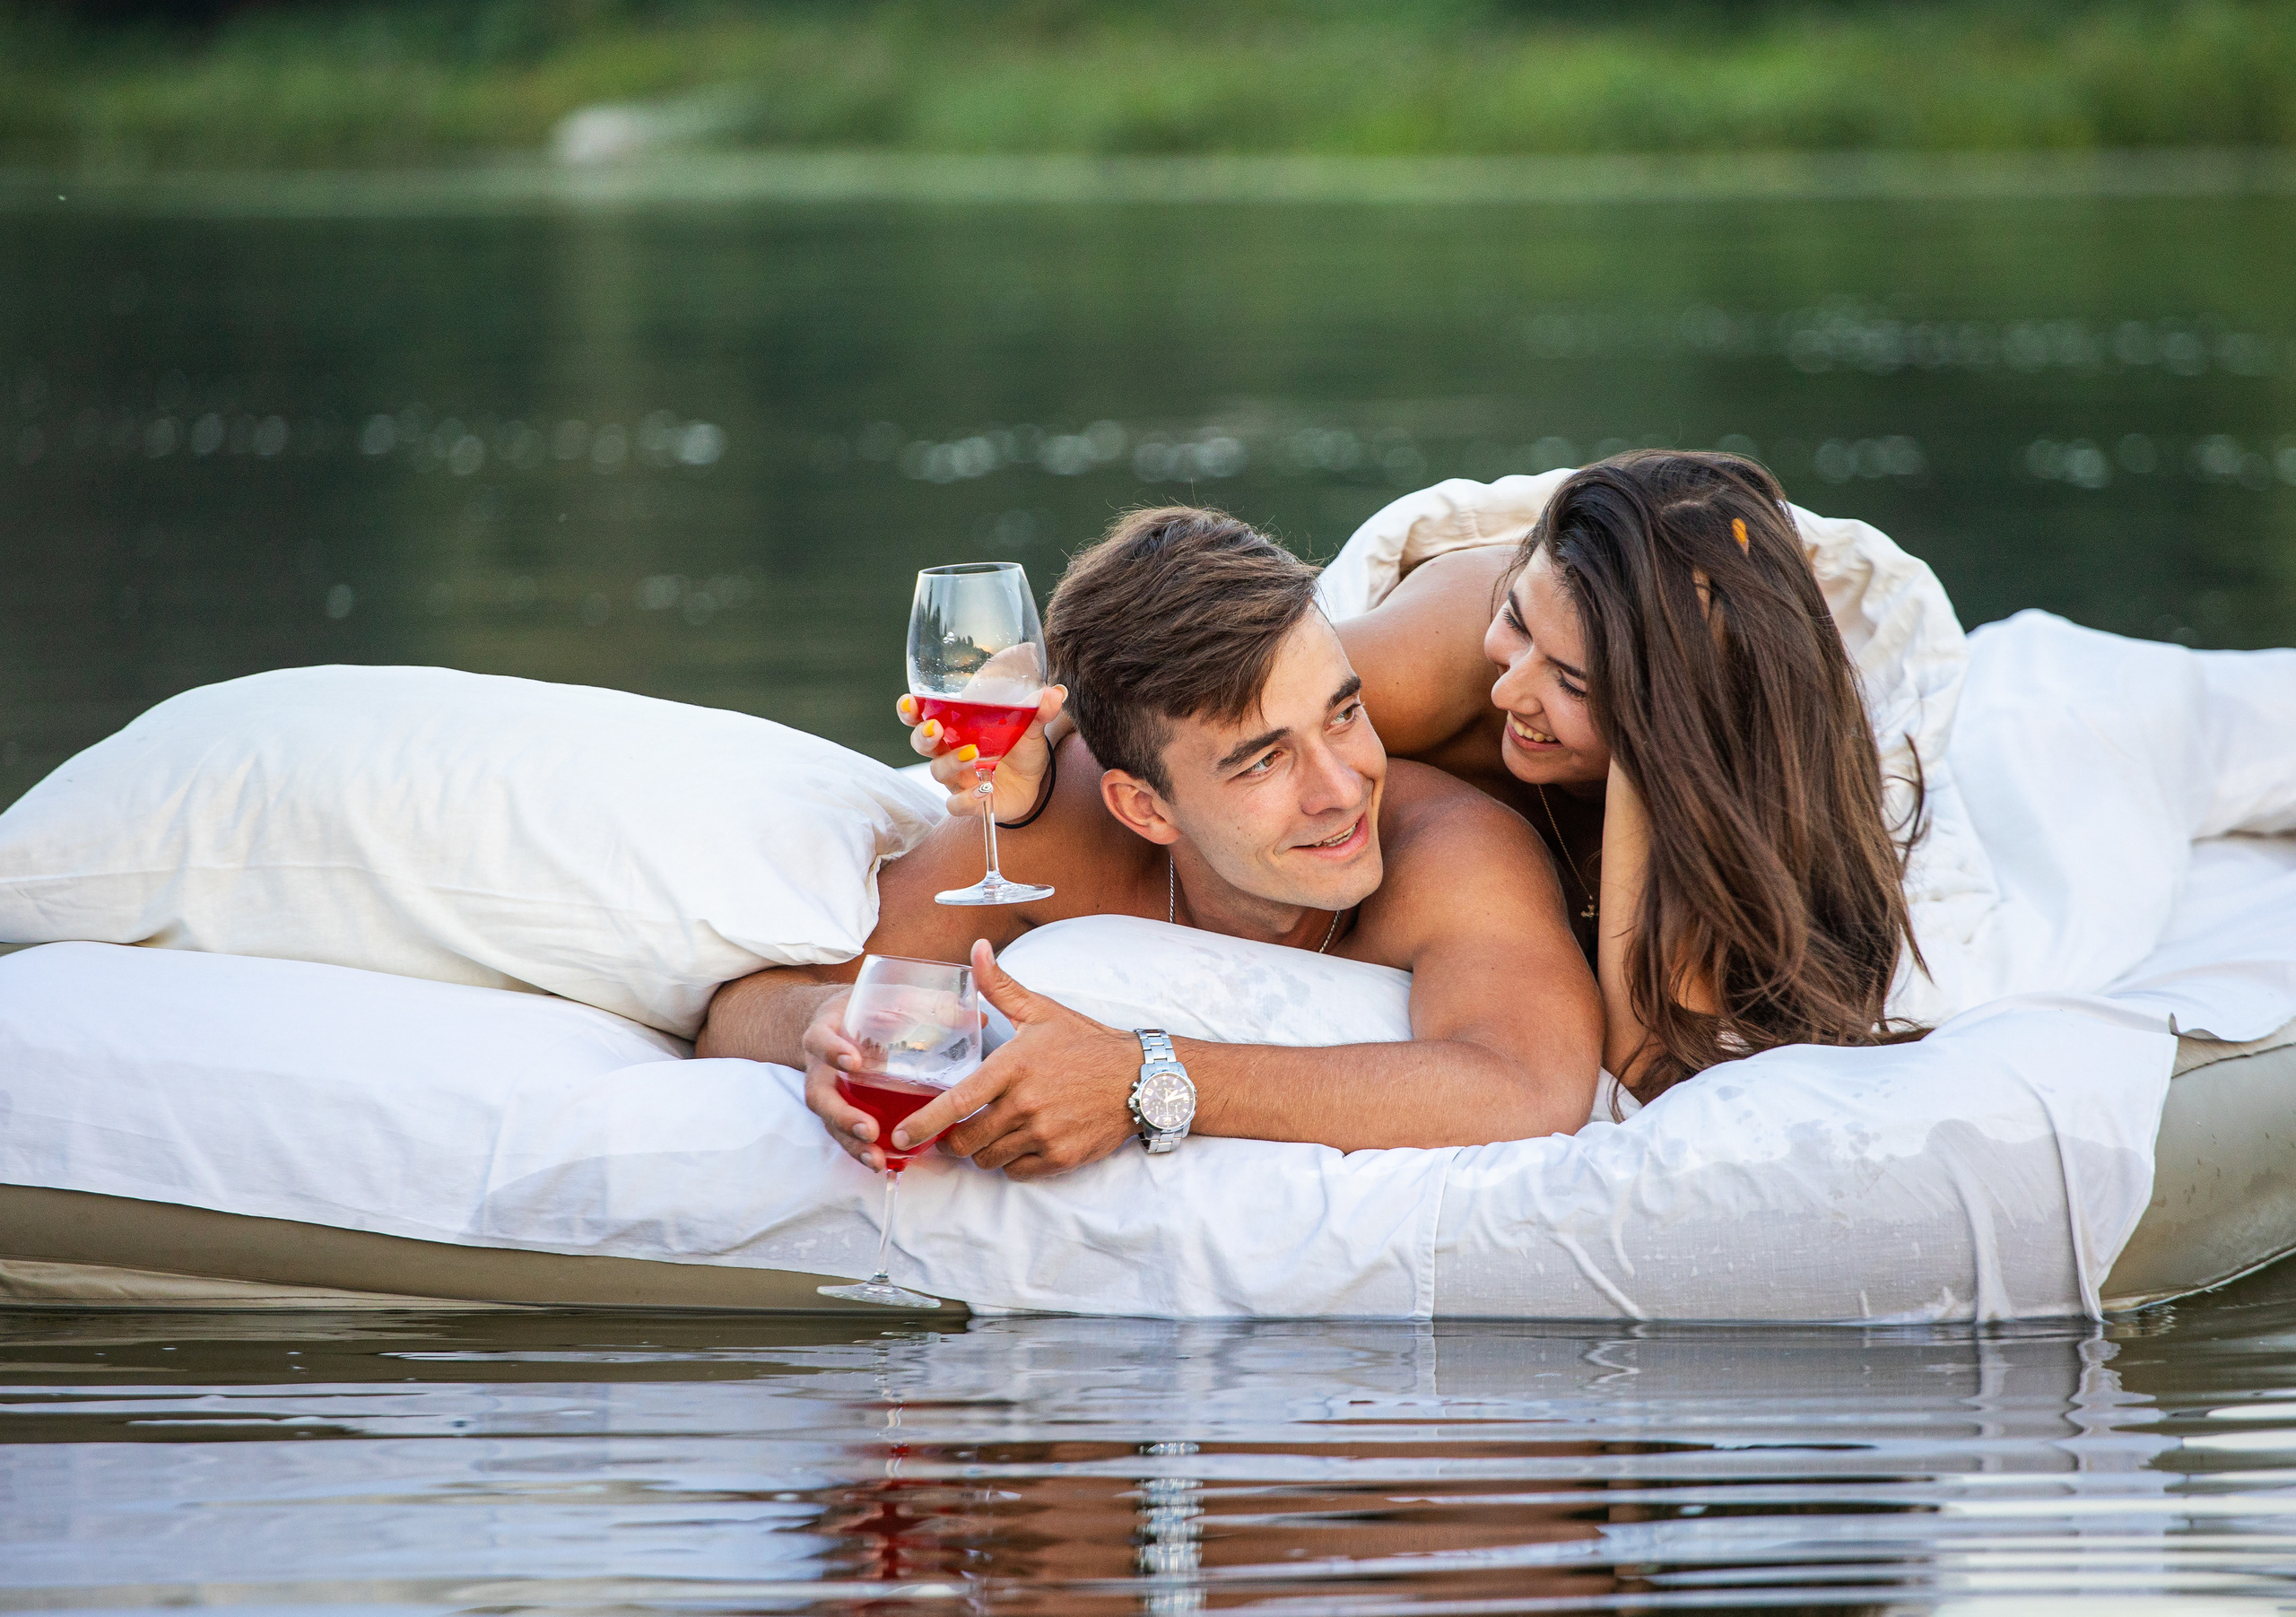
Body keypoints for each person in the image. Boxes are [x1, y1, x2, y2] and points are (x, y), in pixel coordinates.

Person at [913, 452, 1922, 1103]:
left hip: (1576, 836)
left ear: (1671, 730)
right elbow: (1197, 684)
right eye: (1519, 617)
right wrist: (1026, 729)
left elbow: (1647, 1059)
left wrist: (1645, 797)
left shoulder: (1694, 784)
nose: (1509, 686)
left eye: (1570, 681)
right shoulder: (1436, 666)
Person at [697, 507, 1603, 1178]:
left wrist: (1143, 1074)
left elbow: (1525, 1085)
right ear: (1144, 809)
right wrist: (826, 1029)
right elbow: (748, 1008)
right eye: (1260, 765)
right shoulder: (1052, 840)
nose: (1341, 790)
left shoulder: (1446, 842)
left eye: (1344, 714)